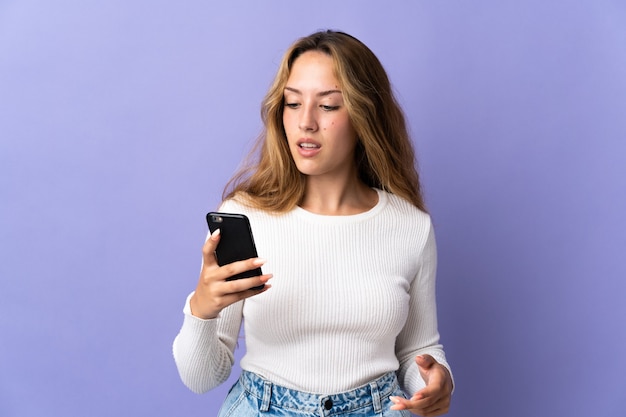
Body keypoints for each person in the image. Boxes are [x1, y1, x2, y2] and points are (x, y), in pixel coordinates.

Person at [173, 30, 453, 417]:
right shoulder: (246, 217)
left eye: (328, 106)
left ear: (364, 113)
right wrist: (201, 307)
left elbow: (417, 350)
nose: (305, 122)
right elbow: (200, 378)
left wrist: (436, 382)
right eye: (292, 102)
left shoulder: (410, 227)